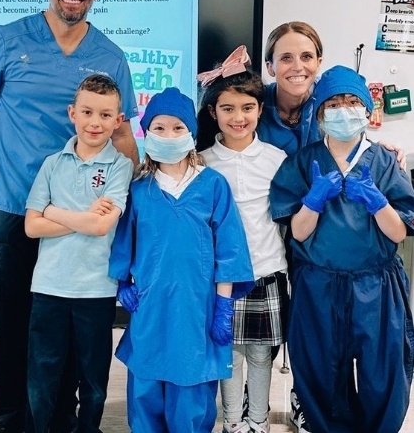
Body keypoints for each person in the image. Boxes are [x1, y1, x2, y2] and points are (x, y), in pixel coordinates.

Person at [0, 0, 138, 433]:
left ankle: (61, 419)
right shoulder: (7, 39)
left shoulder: (111, 54)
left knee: (70, 330)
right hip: (18, 209)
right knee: (14, 321)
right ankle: (12, 419)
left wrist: (142, 195)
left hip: (81, 220)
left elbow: (122, 133)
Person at [269, 65, 414, 433]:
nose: (344, 109)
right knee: (320, 370)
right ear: (319, 113)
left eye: (352, 102)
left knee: (382, 372)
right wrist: (313, 202)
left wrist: (379, 203)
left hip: (376, 286)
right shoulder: (304, 162)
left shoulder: (384, 161)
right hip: (318, 285)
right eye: (334, 103)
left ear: (367, 110)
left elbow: (398, 233)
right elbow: (298, 233)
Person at [109, 87, 254, 433]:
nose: (169, 135)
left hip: (197, 310)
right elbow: (123, 243)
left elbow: (230, 250)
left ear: (191, 133)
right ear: (146, 132)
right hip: (150, 308)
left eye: (178, 128)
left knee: (190, 393)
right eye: (159, 128)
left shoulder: (213, 186)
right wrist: (122, 284)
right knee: (145, 386)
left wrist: (222, 306)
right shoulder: (139, 190)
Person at [24, 74, 134, 433]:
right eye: (87, 112)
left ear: (118, 120)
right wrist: (82, 217)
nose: (94, 122)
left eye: (105, 115)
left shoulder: (121, 166)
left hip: (96, 290)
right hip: (49, 288)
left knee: (93, 382)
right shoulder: (52, 164)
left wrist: (53, 211)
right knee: (43, 377)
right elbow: (31, 226)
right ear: (73, 113)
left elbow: (102, 227)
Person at [197, 48, 289, 433]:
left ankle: (259, 420)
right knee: (227, 354)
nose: (238, 117)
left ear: (259, 110)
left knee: (261, 355)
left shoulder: (276, 158)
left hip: (266, 271)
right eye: (228, 108)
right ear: (213, 112)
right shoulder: (201, 161)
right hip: (221, 279)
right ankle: (233, 422)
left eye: (247, 107)